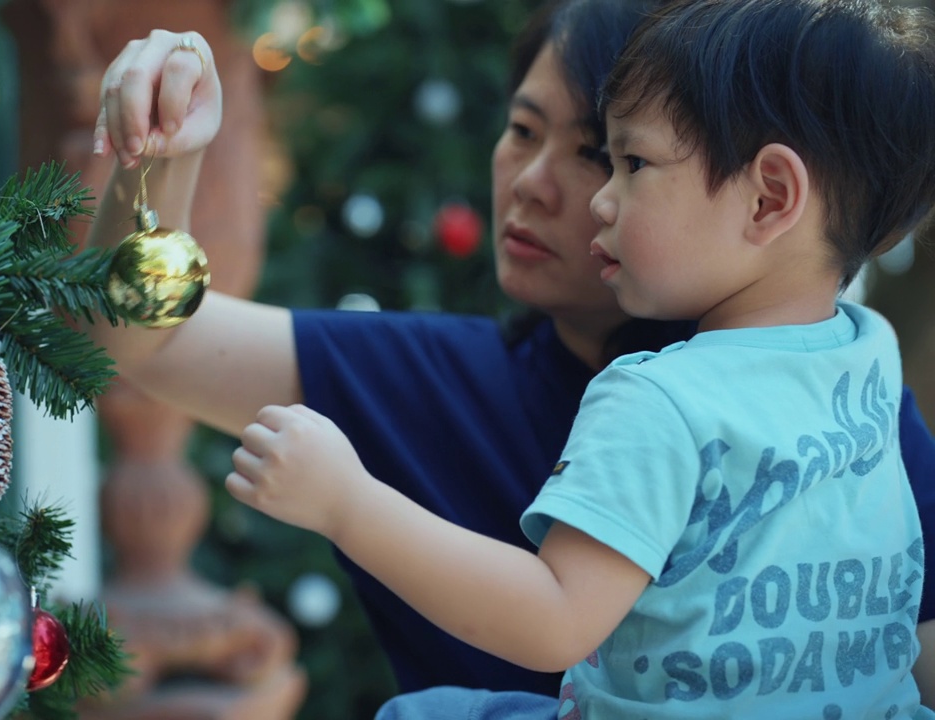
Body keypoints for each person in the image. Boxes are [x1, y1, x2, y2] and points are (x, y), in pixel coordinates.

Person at [83, 0, 935, 704]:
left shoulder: (817, 402)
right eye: (523, 130)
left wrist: (347, 502)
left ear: (769, 197)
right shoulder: (856, 359)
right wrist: (159, 166)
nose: (543, 184)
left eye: (613, 156)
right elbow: (144, 344)